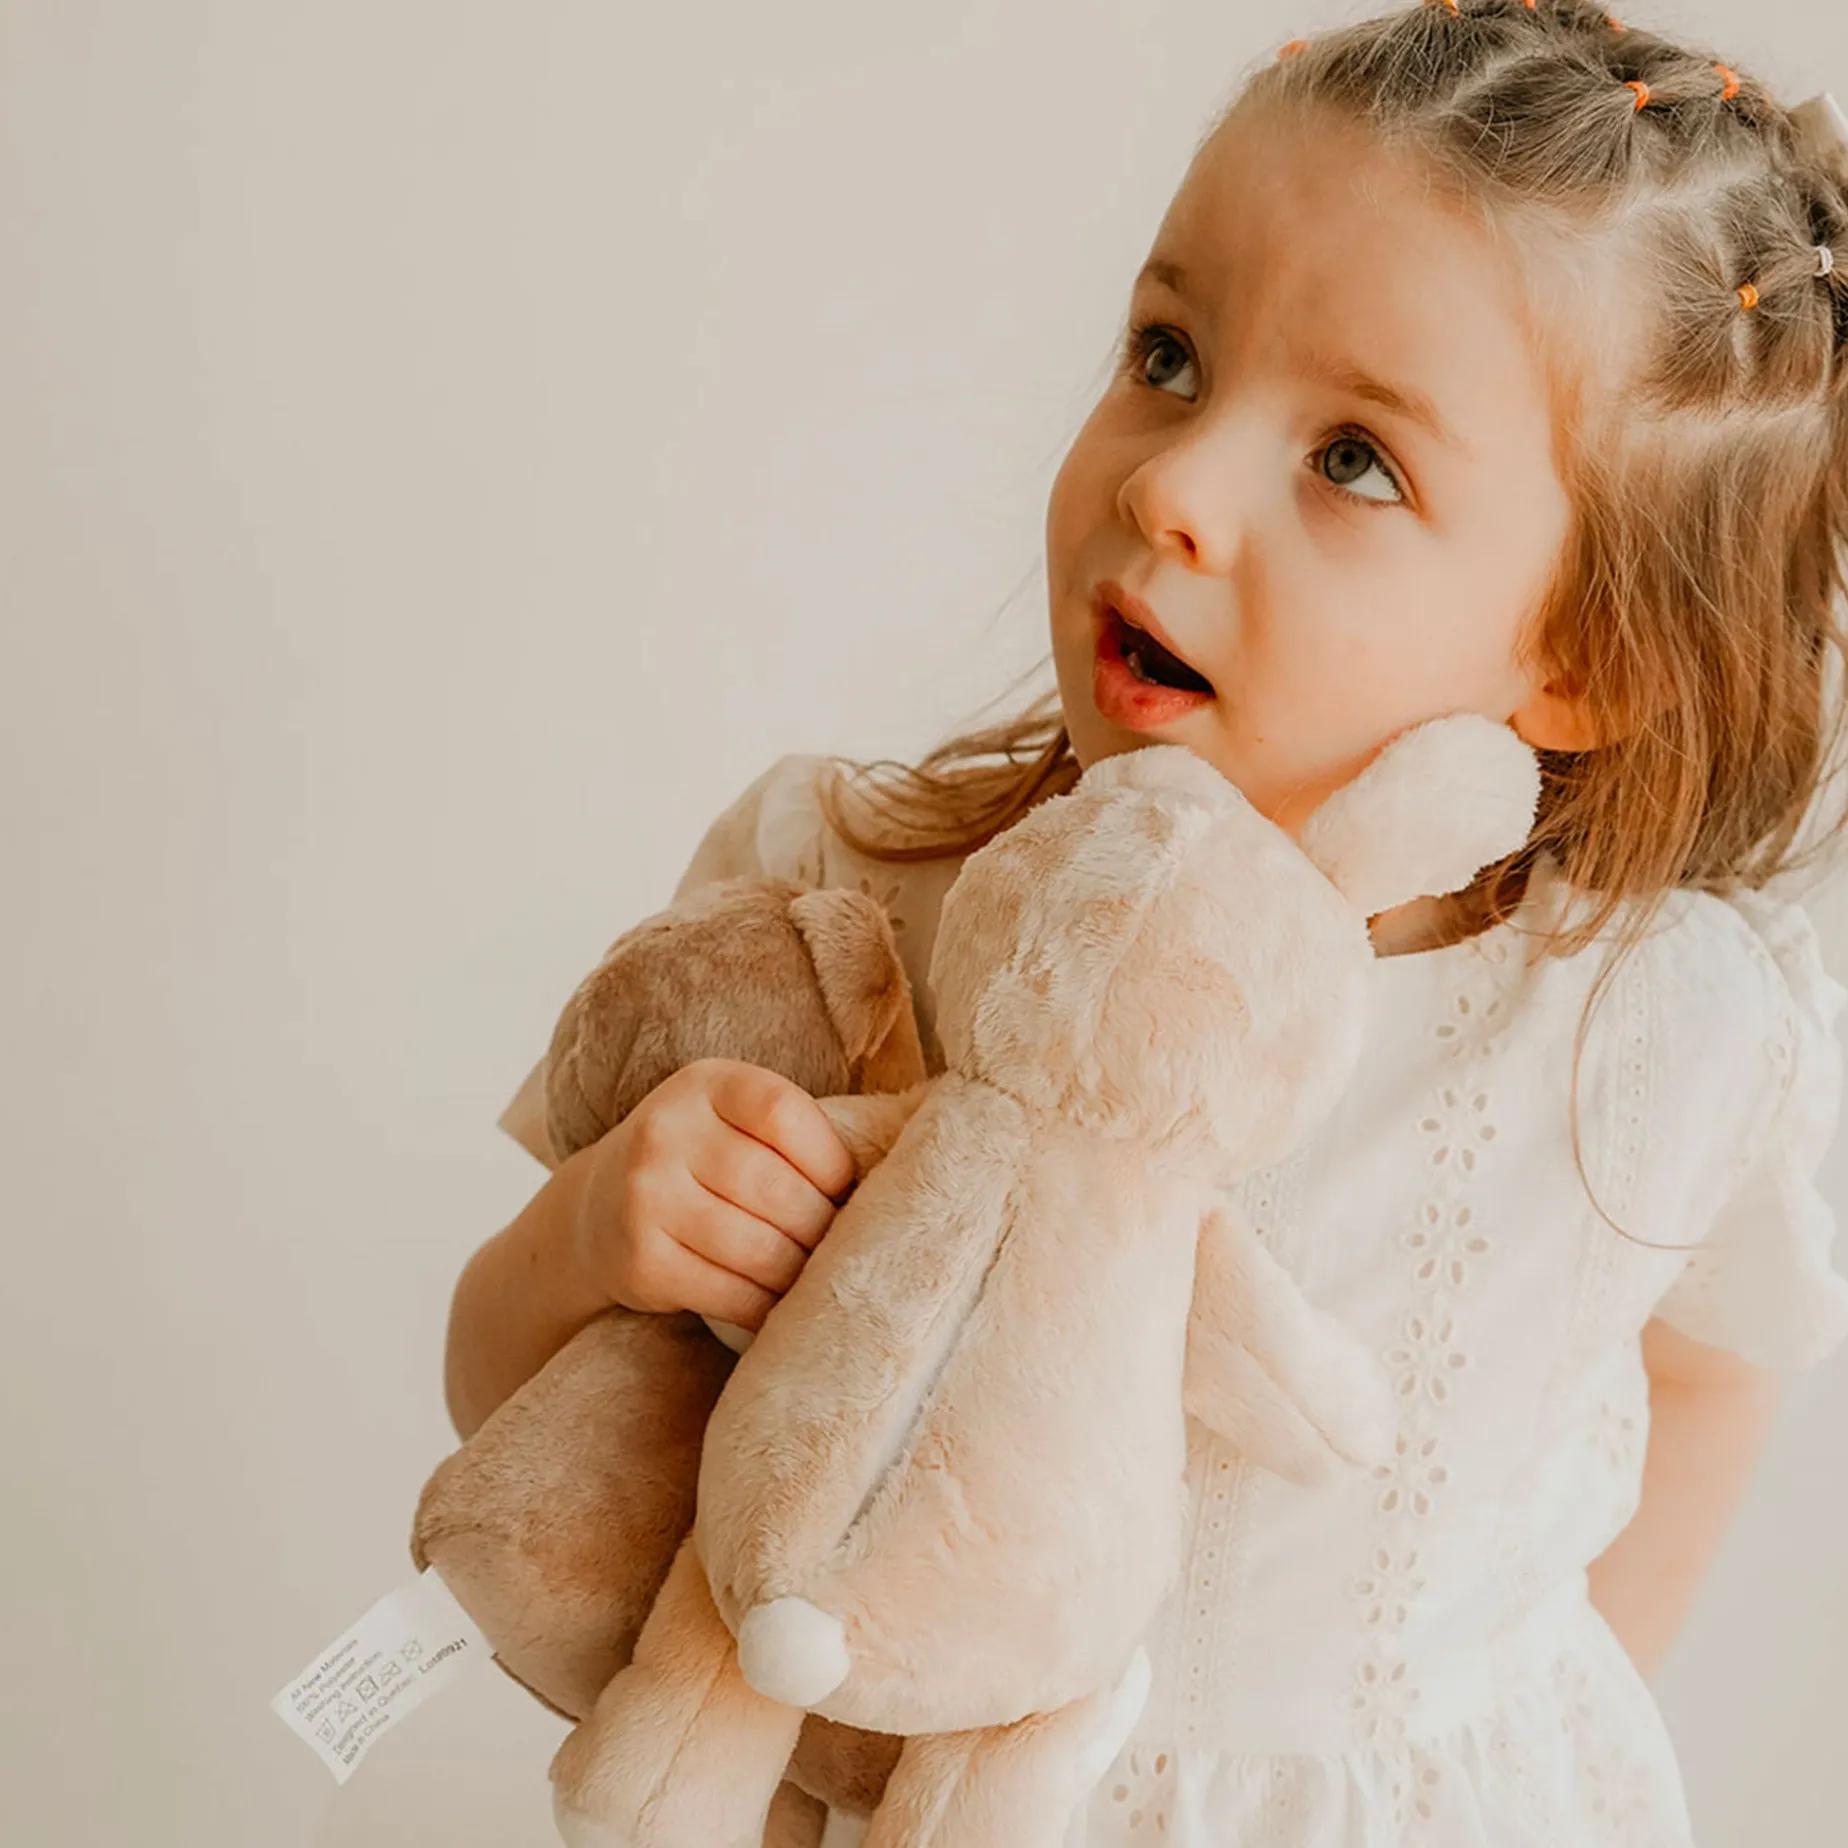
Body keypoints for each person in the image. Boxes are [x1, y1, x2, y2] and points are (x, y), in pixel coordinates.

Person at [444, 3, 1848, 1841]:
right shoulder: (846, 892)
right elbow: (516, 1415)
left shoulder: (1648, 1034)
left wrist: (1537, 1715)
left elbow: (1715, 1375)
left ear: (1583, 653)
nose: (1166, 486)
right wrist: (596, 1236)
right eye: (1169, 355)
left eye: (1355, 459)